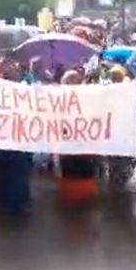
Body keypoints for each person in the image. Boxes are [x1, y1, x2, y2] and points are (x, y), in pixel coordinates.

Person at [0, 59, 33, 215]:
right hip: (2, 139)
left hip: (15, 139)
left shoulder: (22, 90)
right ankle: (9, 202)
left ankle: (14, 202)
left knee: (14, 172)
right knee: (6, 172)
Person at [54, 70, 100, 206]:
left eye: (77, 80)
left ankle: (84, 199)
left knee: (85, 169)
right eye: (71, 80)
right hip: (67, 144)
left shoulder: (87, 98)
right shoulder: (58, 98)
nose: (75, 83)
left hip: (83, 143)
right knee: (70, 171)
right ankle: (72, 200)